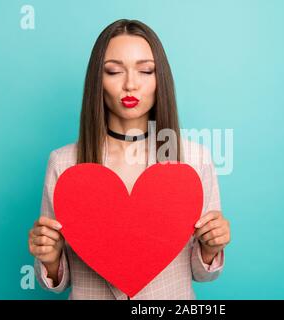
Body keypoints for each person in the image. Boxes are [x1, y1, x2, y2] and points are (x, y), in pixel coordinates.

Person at [28, 19, 231, 300]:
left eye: (146, 70)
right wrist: (49, 259)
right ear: (97, 81)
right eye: (113, 71)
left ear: (161, 80)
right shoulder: (63, 163)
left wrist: (210, 248)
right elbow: (57, 280)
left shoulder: (195, 159)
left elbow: (202, 272)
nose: (130, 84)